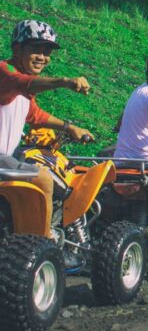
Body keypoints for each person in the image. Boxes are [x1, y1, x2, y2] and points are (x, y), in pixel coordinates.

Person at [0, 19, 93, 238]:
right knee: (43, 178)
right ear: (17, 48)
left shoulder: (20, 85)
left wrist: (70, 127)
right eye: (36, 50)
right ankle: (43, 241)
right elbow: (25, 83)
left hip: (6, 155)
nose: (42, 57)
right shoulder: (6, 71)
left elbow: (34, 115)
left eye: (47, 52)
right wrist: (65, 81)